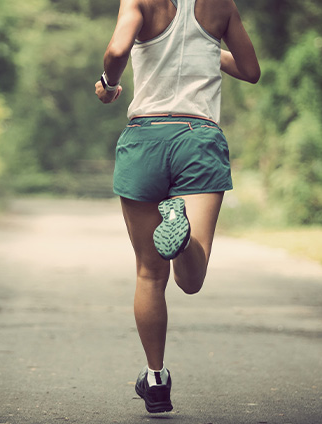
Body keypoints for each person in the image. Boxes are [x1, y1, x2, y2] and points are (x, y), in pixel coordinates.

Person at [94, 0, 259, 414]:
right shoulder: (222, 6)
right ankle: (181, 234)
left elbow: (116, 51)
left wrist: (109, 85)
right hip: (198, 138)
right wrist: (204, 50)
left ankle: (155, 379)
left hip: (146, 137)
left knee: (150, 273)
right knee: (190, 281)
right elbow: (251, 70)